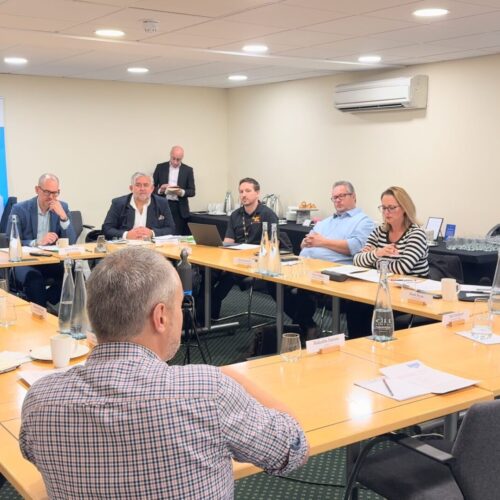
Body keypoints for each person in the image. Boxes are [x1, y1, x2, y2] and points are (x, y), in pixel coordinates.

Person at [20, 247, 309, 498]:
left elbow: (32, 454)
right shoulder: (209, 392)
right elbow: (293, 448)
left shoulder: (40, 400)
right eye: (179, 307)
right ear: (160, 317)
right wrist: (235, 379)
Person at [286, 181, 375, 339]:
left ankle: (302, 329)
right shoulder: (326, 221)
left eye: (341, 196)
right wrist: (305, 243)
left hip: (334, 274)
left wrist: (322, 242)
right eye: (334, 197)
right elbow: (307, 241)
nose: (337, 200)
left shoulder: (364, 221)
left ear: (353, 197)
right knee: (273, 281)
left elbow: (355, 247)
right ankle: (306, 325)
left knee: (303, 289)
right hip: (306, 268)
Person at [347, 186, 429, 337]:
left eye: (391, 208)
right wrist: (378, 252)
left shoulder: (416, 234)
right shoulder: (380, 231)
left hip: (410, 294)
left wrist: (374, 259)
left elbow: (402, 268)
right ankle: (359, 346)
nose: (386, 212)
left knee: (368, 310)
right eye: (383, 208)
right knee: (354, 305)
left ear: (404, 208)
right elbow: (357, 260)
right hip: (383, 289)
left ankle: (376, 345)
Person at [210, 177, 291, 319]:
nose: (243, 195)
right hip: (234, 259)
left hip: (256, 262)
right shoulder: (235, 215)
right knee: (208, 273)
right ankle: (203, 313)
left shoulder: (268, 214)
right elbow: (228, 241)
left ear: (257, 193)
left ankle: (209, 313)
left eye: (248, 191)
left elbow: (272, 245)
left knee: (228, 277)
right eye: (241, 191)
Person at [6, 173, 76, 307]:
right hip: (26, 262)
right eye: (47, 192)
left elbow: (72, 241)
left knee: (74, 272)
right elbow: (11, 240)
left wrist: (63, 217)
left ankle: (45, 304)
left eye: (55, 193)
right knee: (34, 280)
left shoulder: (62, 207)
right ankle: (42, 309)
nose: (51, 197)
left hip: (51, 260)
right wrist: (36, 242)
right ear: (37, 190)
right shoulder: (20, 209)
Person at [102, 172, 176, 240]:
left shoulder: (162, 203)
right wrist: (126, 235)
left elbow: (171, 228)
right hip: (126, 246)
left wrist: (152, 233)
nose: (142, 189)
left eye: (146, 185)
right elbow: (107, 229)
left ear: (152, 189)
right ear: (131, 188)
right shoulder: (118, 203)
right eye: (138, 185)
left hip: (152, 247)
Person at [153, 145, 195, 235]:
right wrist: (160, 190)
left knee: (177, 235)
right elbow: (151, 188)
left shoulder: (188, 170)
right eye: (173, 158)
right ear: (170, 155)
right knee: (163, 235)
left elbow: (192, 191)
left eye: (178, 159)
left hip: (179, 208)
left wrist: (181, 192)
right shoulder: (160, 167)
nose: (175, 162)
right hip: (163, 206)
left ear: (182, 158)